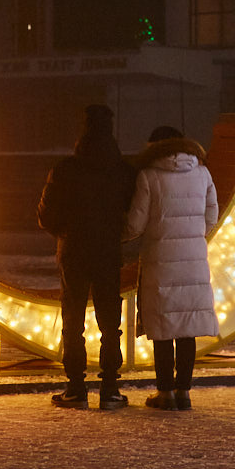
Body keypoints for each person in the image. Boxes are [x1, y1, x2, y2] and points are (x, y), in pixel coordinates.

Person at [37, 104, 137, 410]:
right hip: (108, 252)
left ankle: (76, 389)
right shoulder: (123, 171)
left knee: (73, 321)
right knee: (110, 324)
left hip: (74, 252)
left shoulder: (64, 169)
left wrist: (64, 233)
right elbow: (132, 212)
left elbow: (45, 215)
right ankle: (109, 389)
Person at [124, 125, 219, 411]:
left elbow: (135, 224)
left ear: (154, 147)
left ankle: (165, 393)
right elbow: (211, 215)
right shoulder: (202, 173)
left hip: (160, 261)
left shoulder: (148, 176)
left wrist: (117, 236)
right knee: (187, 327)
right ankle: (184, 392)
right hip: (194, 260)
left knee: (164, 327)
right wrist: (193, 235)